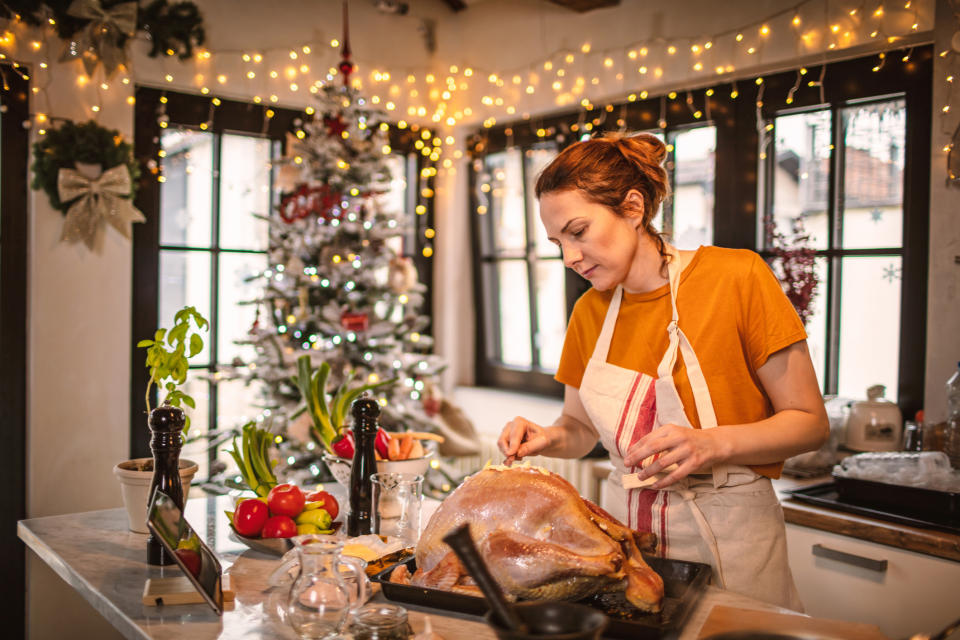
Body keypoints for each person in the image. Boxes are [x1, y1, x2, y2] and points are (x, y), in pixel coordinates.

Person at [497, 132, 828, 611]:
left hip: (734, 537)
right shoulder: (589, 313)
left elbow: (809, 422)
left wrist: (711, 444)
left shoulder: (736, 278)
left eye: (578, 231)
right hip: (627, 544)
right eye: (557, 242)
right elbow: (579, 429)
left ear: (633, 208)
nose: (569, 257)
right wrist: (547, 437)